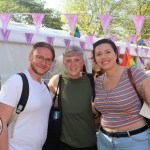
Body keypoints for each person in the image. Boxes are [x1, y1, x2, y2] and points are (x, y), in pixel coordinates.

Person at [93, 38, 150, 150]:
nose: (103, 56)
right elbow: (102, 107)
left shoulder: (133, 73)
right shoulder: (98, 81)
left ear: (116, 54)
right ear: (95, 59)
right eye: (99, 54)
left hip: (134, 141)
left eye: (108, 52)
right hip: (104, 140)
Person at [0, 42, 55, 150]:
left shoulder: (44, 86)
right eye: (39, 57)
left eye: (48, 60)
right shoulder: (17, 81)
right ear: (30, 56)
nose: (43, 62)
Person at [48, 45, 97, 150]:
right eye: (68, 60)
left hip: (89, 143)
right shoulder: (56, 81)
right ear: (64, 63)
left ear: (83, 62)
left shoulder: (92, 81)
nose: (73, 64)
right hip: (64, 144)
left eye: (77, 60)